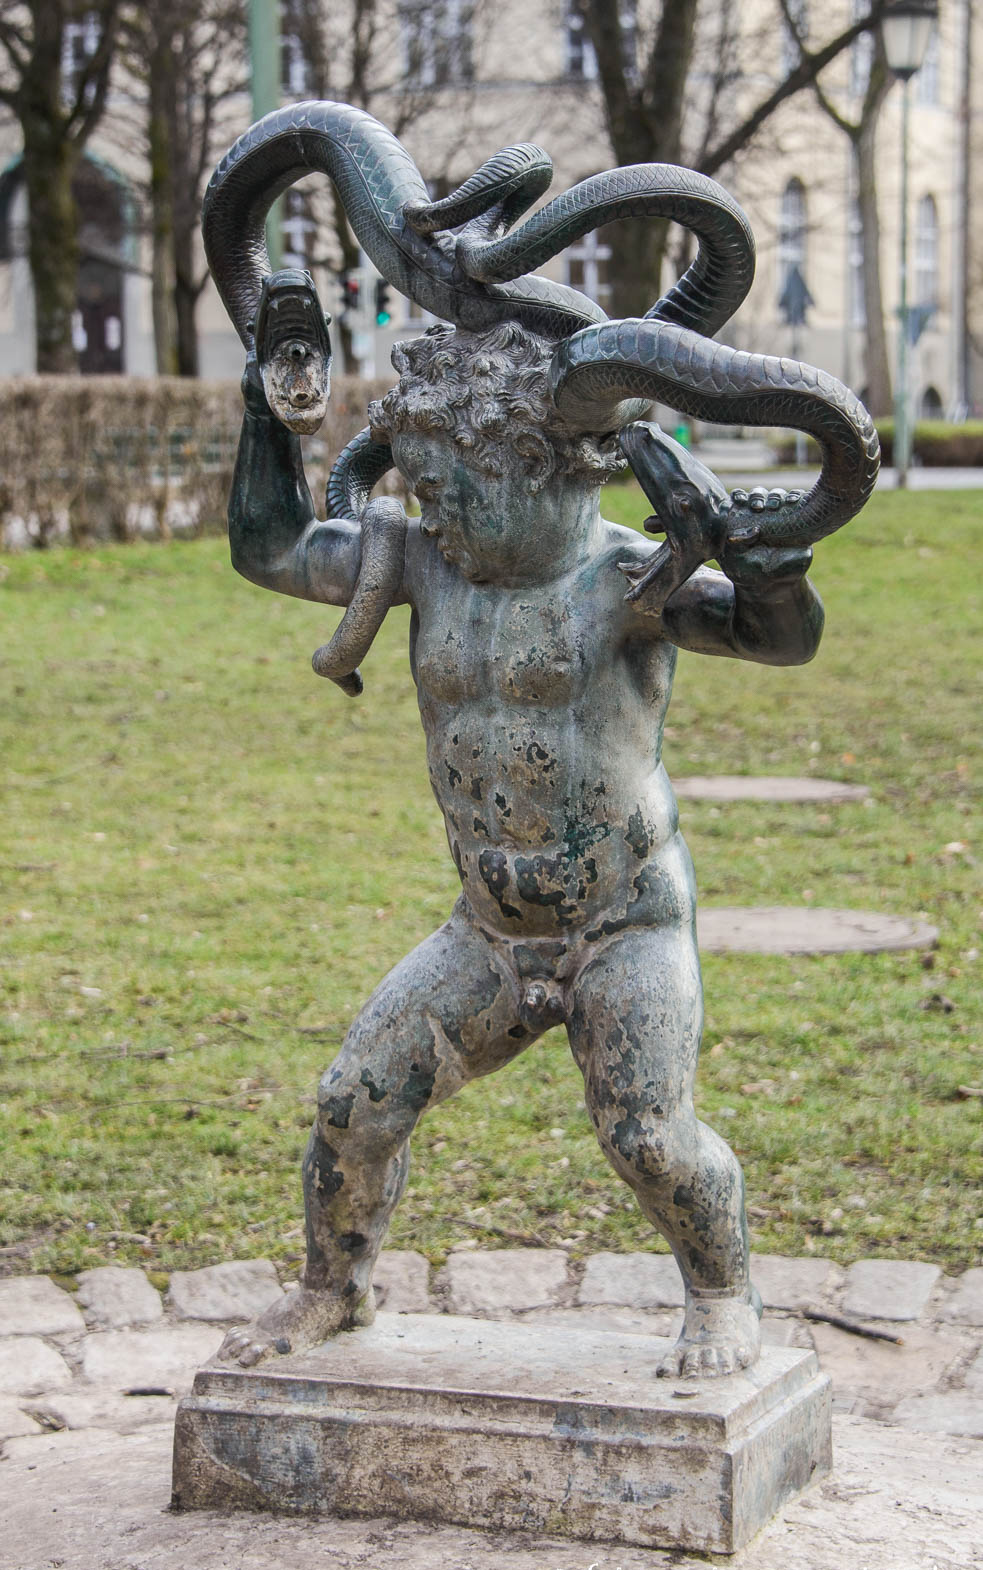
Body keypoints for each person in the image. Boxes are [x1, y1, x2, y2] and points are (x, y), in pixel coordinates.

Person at [218, 318, 824, 1377]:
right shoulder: (417, 564)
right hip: (490, 930)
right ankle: (331, 1286)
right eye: (419, 482)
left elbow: (776, 639)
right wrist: (266, 412)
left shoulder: (630, 577)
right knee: (354, 1101)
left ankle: (720, 1292)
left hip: (623, 921)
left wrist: (774, 576)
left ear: (539, 469)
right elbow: (269, 548)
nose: (433, 508)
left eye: (455, 485)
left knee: (647, 1135)